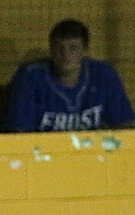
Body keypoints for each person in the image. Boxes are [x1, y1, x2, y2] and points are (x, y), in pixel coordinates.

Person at [7, 18, 135, 133]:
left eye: (73, 48)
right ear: (51, 50)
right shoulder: (30, 77)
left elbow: (124, 125)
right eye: (59, 48)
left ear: (84, 51)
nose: (65, 54)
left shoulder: (103, 74)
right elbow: (20, 132)